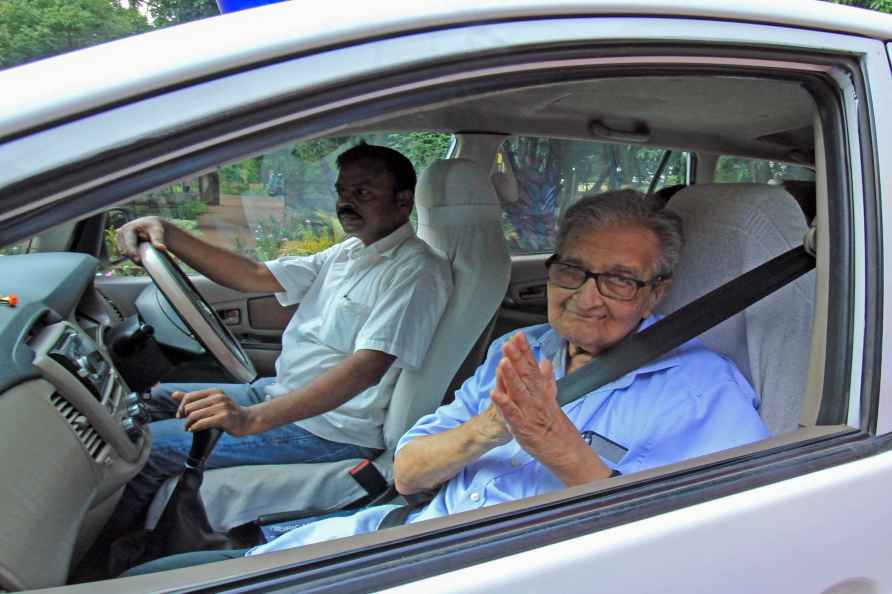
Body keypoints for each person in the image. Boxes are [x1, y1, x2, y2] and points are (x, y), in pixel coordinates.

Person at [124, 190, 769, 576]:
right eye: (572, 270)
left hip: (473, 569)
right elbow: (406, 470)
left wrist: (560, 448)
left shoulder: (704, 388)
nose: (589, 298)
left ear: (659, 290)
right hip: (389, 538)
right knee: (154, 576)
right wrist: (490, 429)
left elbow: (717, 549)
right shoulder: (521, 350)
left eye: (621, 280)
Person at [110, 142, 453, 534]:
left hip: (328, 429)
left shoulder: (416, 270)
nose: (346, 203)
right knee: (146, 403)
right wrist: (169, 234)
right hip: (279, 391)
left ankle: (105, 562)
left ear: (403, 200)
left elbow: (366, 369)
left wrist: (252, 420)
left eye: (363, 193)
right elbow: (254, 276)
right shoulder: (348, 253)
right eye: (342, 192)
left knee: (144, 452)